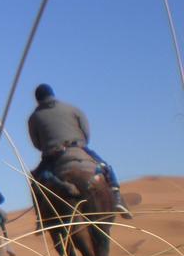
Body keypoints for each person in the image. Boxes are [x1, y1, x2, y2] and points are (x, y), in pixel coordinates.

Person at [27, 83, 131, 218]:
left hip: (52, 155)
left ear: (37, 99)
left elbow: (37, 144)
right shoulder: (73, 109)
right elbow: (86, 134)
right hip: (78, 147)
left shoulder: (34, 117)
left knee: (36, 180)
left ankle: (41, 217)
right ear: (52, 94)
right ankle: (117, 198)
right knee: (106, 167)